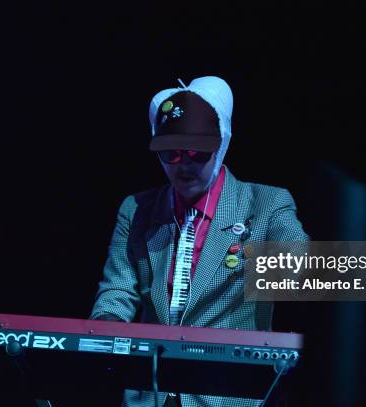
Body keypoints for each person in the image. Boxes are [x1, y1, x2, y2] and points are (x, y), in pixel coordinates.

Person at [90, 76, 309, 407]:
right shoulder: (137, 210)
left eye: (196, 152)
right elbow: (117, 291)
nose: (184, 165)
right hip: (149, 395)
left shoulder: (265, 204)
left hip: (226, 395)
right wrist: (102, 335)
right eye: (171, 154)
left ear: (221, 144)